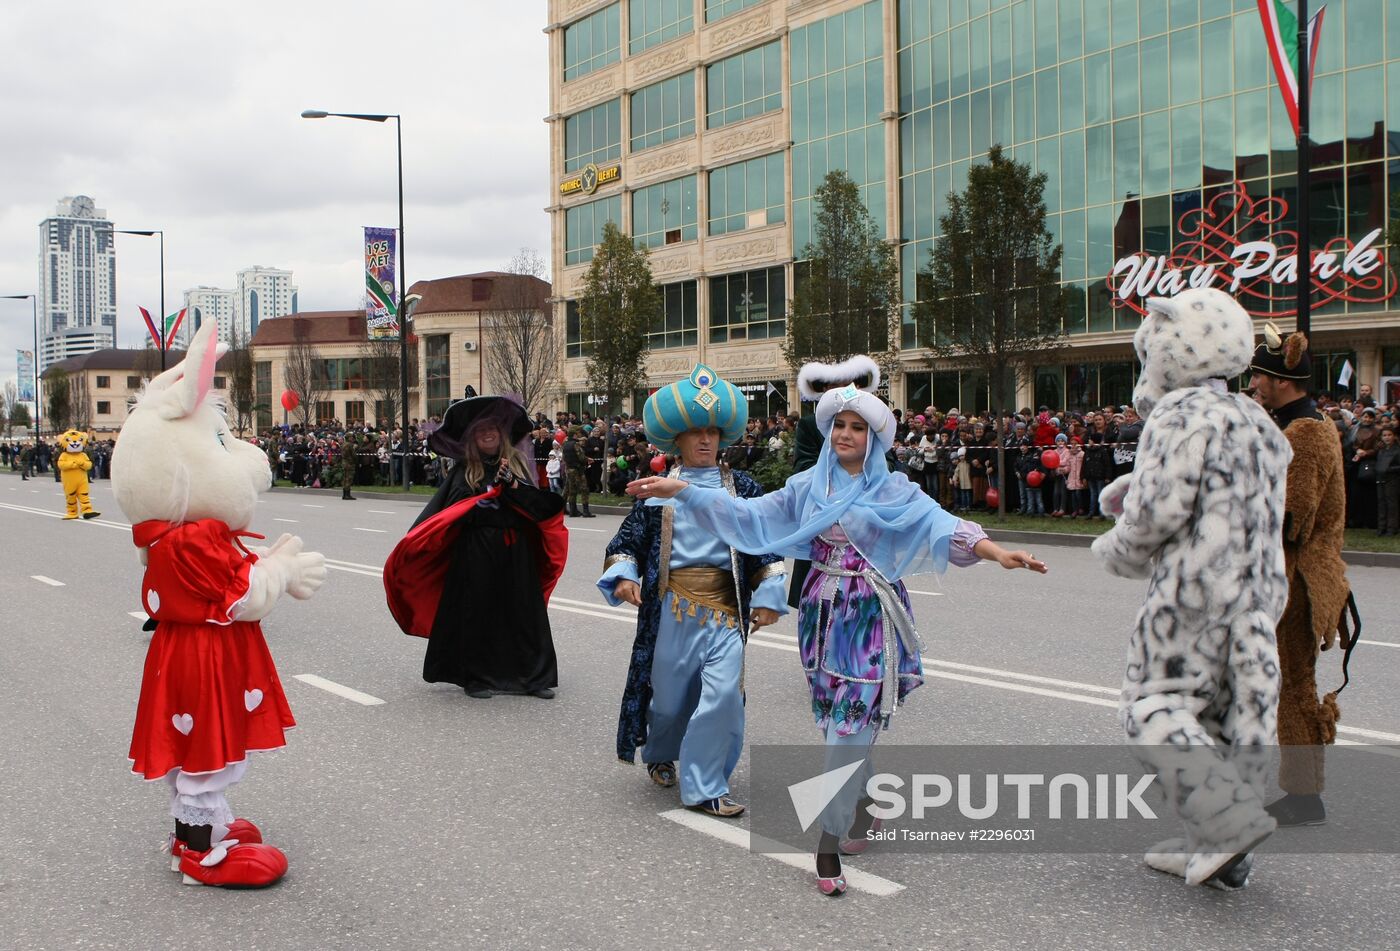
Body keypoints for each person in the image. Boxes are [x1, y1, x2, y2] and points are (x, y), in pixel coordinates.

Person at [628, 358, 1045, 896]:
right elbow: (751, 517)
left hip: (871, 618)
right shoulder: (807, 487)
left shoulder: (896, 491)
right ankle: (866, 803)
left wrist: (997, 552)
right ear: (828, 431)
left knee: (850, 724)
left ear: (874, 437)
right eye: (840, 426)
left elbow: (944, 525)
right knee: (839, 723)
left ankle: (827, 841)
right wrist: (680, 490)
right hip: (823, 617)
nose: (847, 434)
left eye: (858, 427)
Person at [1094, 290, 1292, 890]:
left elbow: (1159, 512)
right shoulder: (1257, 420)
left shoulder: (1177, 412)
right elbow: (1233, 493)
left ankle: (1226, 823)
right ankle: (1221, 847)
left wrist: (1117, 547)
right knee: (1233, 716)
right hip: (1257, 594)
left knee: (1154, 707)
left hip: (1194, 593)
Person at [600, 364, 787, 818]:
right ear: (676, 439)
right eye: (695, 432)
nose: (705, 440)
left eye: (712, 432)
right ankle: (661, 752)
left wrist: (767, 597)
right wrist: (625, 575)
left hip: (726, 612)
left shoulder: (743, 488)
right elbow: (627, 541)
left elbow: (764, 544)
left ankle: (706, 785)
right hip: (671, 612)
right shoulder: (655, 491)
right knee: (667, 702)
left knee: (723, 696)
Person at [384, 396, 568, 700]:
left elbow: (540, 508)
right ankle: (476, 677)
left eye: (493, 429)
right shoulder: (463, 473)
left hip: (515, 549)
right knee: (478, 612)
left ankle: (533, 678)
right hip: (476, 551)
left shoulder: (518, 466)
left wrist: (512, 488)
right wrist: (478, 506)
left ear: (502, 434)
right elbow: (444, 515)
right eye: (481, 430)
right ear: (472, 437)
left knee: (524, 612)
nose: (488, 434)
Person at [1248, 323, 1354, 828]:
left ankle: (1304, 795)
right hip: (1298, 576)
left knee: (1292, 684)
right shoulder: (1302, 426)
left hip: (1299, 580)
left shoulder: (1305, 432)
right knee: (1291, 681)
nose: (1252, 386)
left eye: (1258, 378)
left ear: (1280, 381)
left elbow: (1293, 517)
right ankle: (1302, 789)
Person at [562, 427, 593, 518]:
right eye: (577, 434)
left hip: (568, 469)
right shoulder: (575, 444)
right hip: (577, 469)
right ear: (574, 435)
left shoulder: (565, 444)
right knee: (584, 489)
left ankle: (572, 511)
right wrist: (588, 460)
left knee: (571, 490)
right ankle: (586, 511)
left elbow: (564, 458)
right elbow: (581, 457)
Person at [1377, 427, 1400, 536]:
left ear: (1394, 436)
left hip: (1392, 480)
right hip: (1381, 479)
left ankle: (1392, 528)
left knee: (1392, 505)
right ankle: (1382, 527)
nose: (1387, 437)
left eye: (1389, 435)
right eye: (1384, 435)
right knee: (1382, 503)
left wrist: (1389, 469)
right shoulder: (1381, 450)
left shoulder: (1397, 450)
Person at [340, 434, 357, 501]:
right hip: (349, 463)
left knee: (345, 478)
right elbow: (353, 455)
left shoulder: (343, 444)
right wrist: (355, 449)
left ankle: (344, 494)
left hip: (344, 463)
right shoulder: (350, 445)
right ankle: (347, 494)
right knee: (349, 479)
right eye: (351, 437)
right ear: (349, 438)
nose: (352, 438)